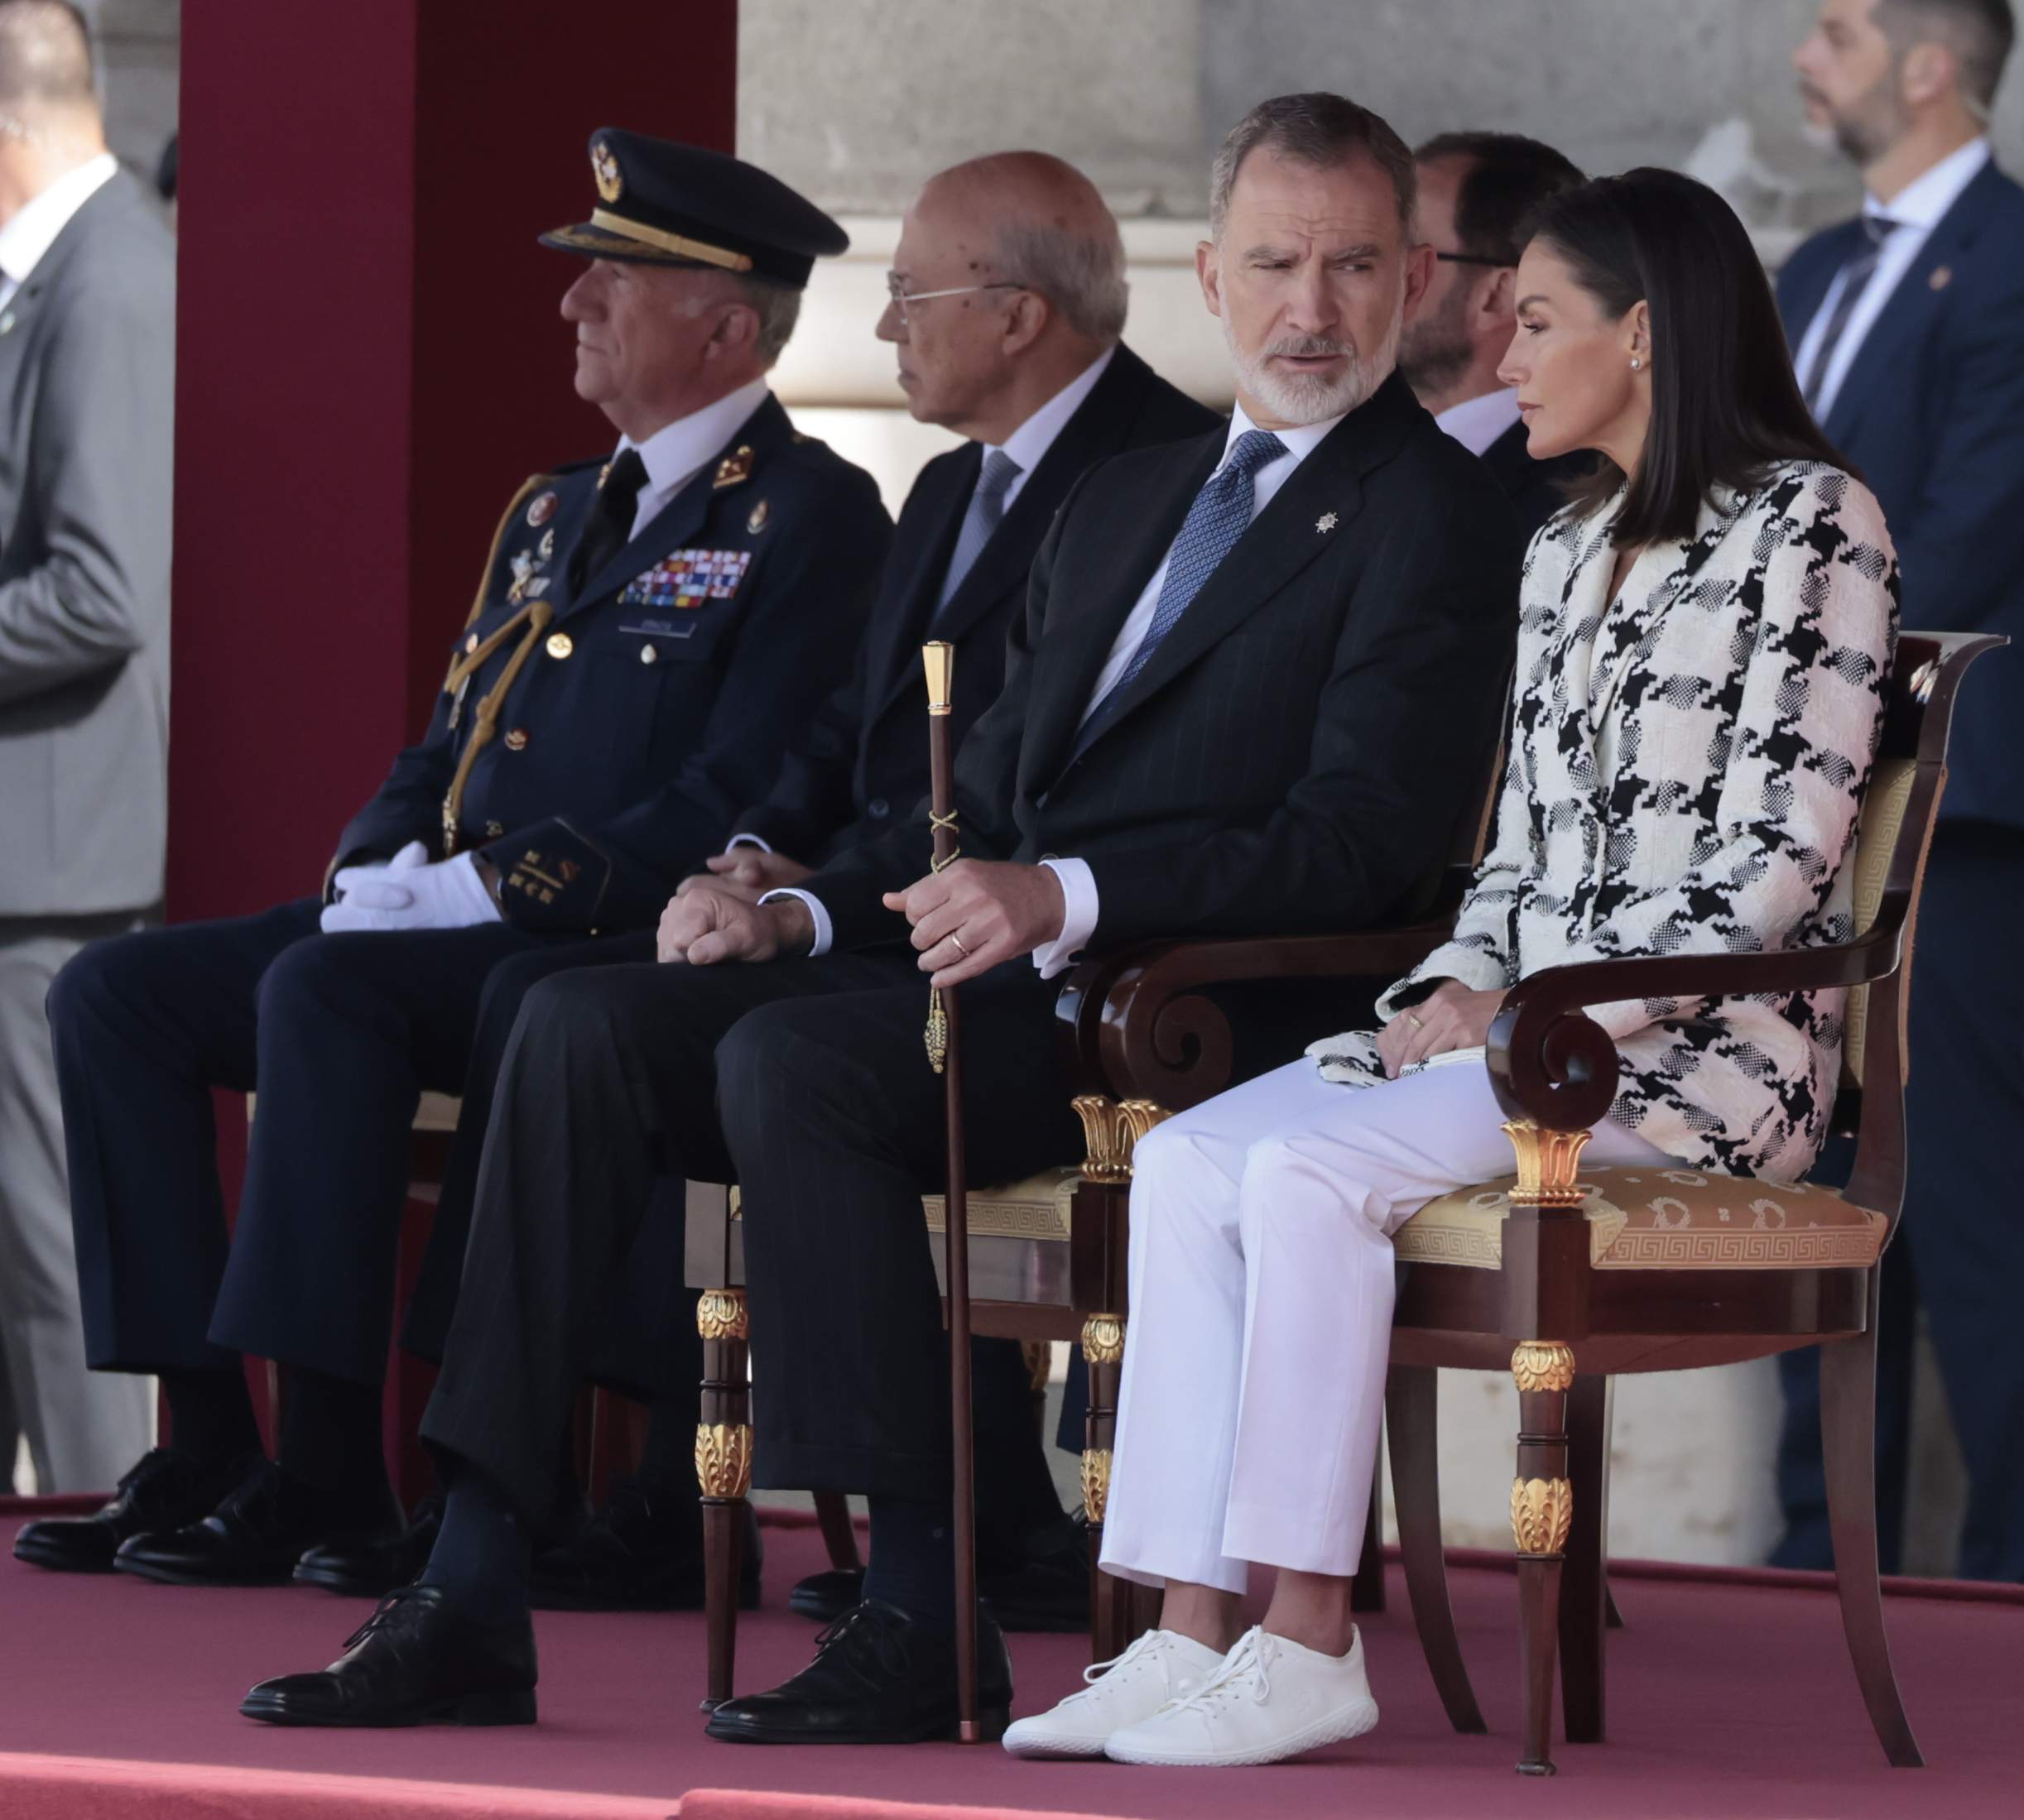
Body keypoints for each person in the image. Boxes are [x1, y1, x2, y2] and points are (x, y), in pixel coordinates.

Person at [238, 91, 1518, 1740]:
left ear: (1415, 281)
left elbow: (1362, 843)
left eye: (1353, 267)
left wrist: (1059, 893)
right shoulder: (1135, 494)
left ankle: (925, 1603)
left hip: (1190, 1012)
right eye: (1275, 261)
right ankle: (475, 1569)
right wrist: (794, 903)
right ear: (1208, 275)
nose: (1311, 307)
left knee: (800, 1069)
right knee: (567, 1014)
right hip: (989, 981)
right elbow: (970, 793)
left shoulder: (1436, 515)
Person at [1008, 165, 1901, 1770]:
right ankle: (1181, 1629)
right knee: (1194, 1159)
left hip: (1690, 1070)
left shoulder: (1812, 520)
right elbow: (1515, 860)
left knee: (1297, 1171)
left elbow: (1773, 868)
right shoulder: (1557, 552)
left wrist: (1543, 1003)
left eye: (1537, 321)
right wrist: (1456, 987)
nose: (1502, 360)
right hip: (1520, 1043)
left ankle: (1304, 1635)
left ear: (1641, 334)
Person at [15, 129, 891, 1590]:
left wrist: (482, 892)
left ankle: (331, 1465)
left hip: (592, 933)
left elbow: (736, 794)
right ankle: (212, 1434)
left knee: (324, 995)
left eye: (614, 279)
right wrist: (377, 859)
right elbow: (447, 737)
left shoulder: (807, 517)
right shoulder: (552, 507)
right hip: (443, 911)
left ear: (727, 324)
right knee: (118, 992)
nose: (573, 305)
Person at [353, 151, 1219, 1621]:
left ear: (1014, 315)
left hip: (1032, 967)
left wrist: (801, 905)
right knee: (570, 1014)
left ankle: (919, 1562)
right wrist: (748, 856)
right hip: (887, 924)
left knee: (765, 1050)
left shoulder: (1160, 475)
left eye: (909, 298)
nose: (886, 334)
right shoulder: (951, 482)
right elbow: (845, 741)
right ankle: (479, 1546)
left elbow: (1007, 791)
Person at [1769, 0, 2024, 1586]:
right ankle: (1812, 1541)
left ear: (1929, 59)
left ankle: (2015, 1561)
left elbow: (1969, 533)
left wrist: (1796, 674)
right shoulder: (1819, 272)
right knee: (1816, 1171)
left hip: (1947, 797)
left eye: (1835, 27)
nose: (1803, 57)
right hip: (1800, 804)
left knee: (1963, 1181)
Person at [0, 0, 170, 1499]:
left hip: (51, 859)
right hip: (27, 849)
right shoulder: (58, 273)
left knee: (54, 1254)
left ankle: (106, 1517)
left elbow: (101, 590)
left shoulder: (108, 278)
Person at [1398, 130, 1589, 535]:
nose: (1364, 275)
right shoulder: (1345, 453)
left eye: (1407, 253)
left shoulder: (1581, 506)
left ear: (1502, 295)